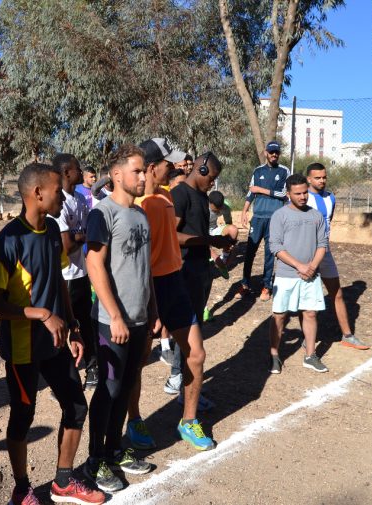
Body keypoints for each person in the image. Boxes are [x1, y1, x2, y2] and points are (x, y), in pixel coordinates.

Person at [0, 162, 104, 505]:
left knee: (76, 406)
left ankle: (63, 482)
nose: (63, 197)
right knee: (22, 416)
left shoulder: (53, 229)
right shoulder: (8, 240)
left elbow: (60, 283)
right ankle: (22, 489)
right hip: (23, 347)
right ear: (38, 193)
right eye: (57, 191)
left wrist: (75, 327)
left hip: (56, 343)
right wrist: (42, 314)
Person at [83, 144, 160, 492]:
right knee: (109, 389)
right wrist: (114, 315)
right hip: (111, 321)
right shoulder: (103, 213)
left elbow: (145, 269)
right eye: (137, 171)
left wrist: (153, 310)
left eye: (144, 171)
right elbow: (94, 264)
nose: (144, 176)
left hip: (140, 319)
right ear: (116, 175)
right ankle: (95, 460)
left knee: (126, 387)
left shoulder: (140, 215)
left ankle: (114, 450)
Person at [134, 138, 215, 452]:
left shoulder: (168, 194)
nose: (175, 166)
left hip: (175, 282)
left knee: (196, 354)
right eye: (169, 163)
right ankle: (134, 420)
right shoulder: (138, 205)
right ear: (152, 167)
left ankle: (188, 420)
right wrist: (150, 302)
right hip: (148, 288)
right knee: (139, 360)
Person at [164, 153, 232, 405]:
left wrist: (213, 248)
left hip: (200, 269)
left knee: (195, 329)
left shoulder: (201, 197)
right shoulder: (180, 194)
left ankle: (186, 385)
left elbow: (199, 234)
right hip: (185, 270)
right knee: (188, 330)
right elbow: (171, 234)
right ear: (200, 169)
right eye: (211, 178)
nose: (212, 183)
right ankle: (179, 382)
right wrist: (209, 240)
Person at [267, 173, 329, 375]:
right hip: (287, 275)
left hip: (311, 275)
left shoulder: (316, 216)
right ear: (288, 194)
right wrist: (299, 266)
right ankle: (274, 355)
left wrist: (312, 266)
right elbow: (275, 246)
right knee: (279, 316)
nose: (303, 197)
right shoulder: (280, 215)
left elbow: (322, 244)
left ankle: (310, 355)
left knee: (310, 313)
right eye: (298, 193)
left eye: (305, 193)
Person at [305, 163, 370, 350]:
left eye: (324, 177)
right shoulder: (303, 198)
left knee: (337, 294)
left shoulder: (330, 198)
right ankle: (307, 339)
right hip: (307, 254)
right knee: (308, 300)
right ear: (309, 179)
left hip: (325, 252)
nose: (322, 180)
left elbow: (328, 221)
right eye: (317, 177)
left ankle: (347, 336)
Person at [51, 153, 99, 390]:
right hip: (65, 277)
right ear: (66, 173)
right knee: (65, 327)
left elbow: (85, 234)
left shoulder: (80, 198)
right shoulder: (58, 203)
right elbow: (67, 246)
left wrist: (78, 236)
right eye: (77, 169)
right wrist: (81, 237)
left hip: (81, 274)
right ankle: (67, 379)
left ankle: (92, 369)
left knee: (85, 325)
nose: (81, 172)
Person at [238, 140, 289, 302]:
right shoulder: (258, 171)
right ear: (266, 153)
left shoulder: (284, 171)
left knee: (269, 254)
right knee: (250, 251)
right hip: (258, 217)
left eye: (276, 152)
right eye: (271, 152)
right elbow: (251, 192)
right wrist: (244, 211)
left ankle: (266, 286)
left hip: (274, 219)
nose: (274, 154)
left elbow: (284, 194)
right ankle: (245, 284)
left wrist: (261, 190)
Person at [207, 190, 239, 279]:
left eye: (220, 208)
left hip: (213, 230)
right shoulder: (202, 207)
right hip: (200, 232)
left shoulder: (225, 208)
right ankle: (215, 259)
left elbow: (229, 223)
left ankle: (224, 260)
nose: (218, 210)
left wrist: (231, 242)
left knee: (233, 230)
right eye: (215, 209)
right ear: (210, 203)